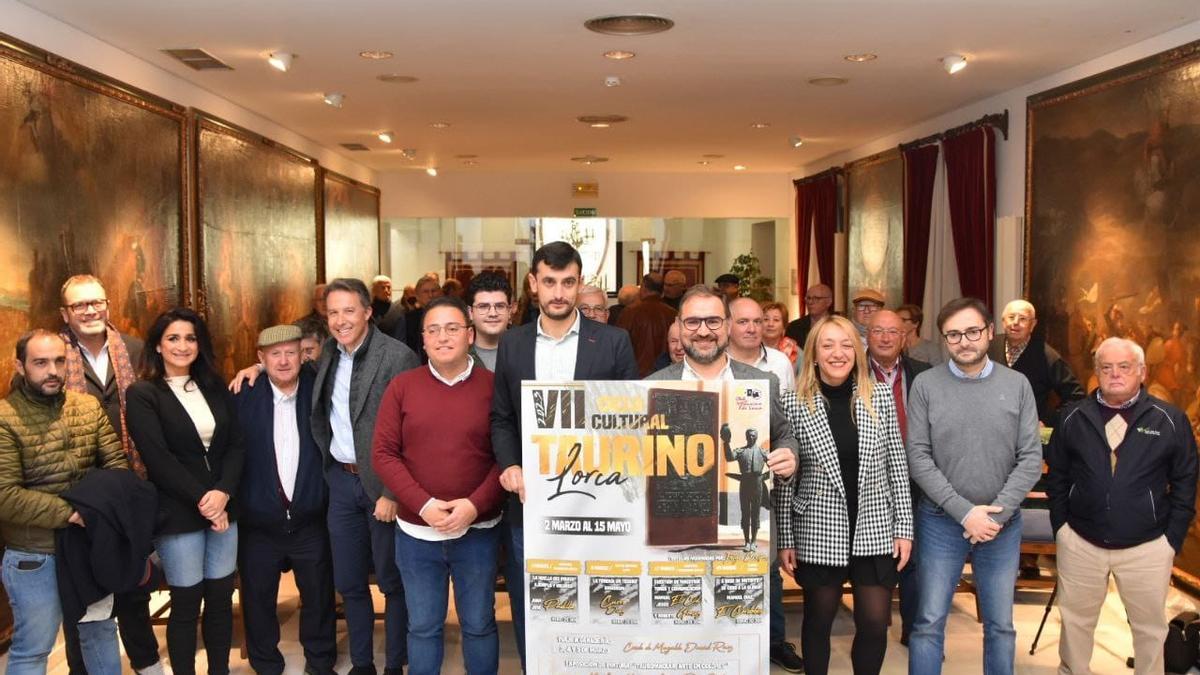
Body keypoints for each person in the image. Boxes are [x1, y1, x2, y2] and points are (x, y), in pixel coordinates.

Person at [231, 278, 421, 675]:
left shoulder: (398, 356)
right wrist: (257, 367)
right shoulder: (329, 354)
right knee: (349, 582)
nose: (340, 320)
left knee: (390, 581)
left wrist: (392, 491)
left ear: (368, 311)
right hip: (340, 484)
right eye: (333, 312)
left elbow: (412, 432)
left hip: (381, 486)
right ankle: (363, 663)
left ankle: (394, 664)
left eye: (349, 310)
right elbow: (287, 368)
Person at [491, 241, 639, 669]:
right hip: (531, 501)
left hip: (599, 502)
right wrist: (511, 465)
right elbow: (501, 417)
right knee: (534, 599)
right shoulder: (513, 344)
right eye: (550, 282)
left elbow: (630, 420)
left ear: (580, 285)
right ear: (534, 283)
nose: (558, 292)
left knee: (600, 596)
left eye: (568, 282)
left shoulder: (613, 341)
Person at [645, 285, 802, 673]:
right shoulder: (653, 384)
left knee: (740, 644)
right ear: (679, 327)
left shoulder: (760, 383)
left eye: (713, 321)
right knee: (680, 642)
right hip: (679, 538)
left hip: (741, 535)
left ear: (728, 325)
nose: (703, 331)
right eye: (693, 321)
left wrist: (790, 455)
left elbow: (784, 434)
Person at [905, 297, 1042, 675]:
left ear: (989, 332)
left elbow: (1030, 457)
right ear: (944, 340)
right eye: (953, 335)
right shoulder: (926, 386)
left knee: (1000, 625)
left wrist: (996, 513)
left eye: (972, 332)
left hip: (1002, 523)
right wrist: (965, 512)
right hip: (939, 521)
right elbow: (918, 457)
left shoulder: (1017, 385)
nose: (964, 341)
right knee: (928, 622)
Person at [1046, 337, 1198, 675]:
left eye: (1124, 367)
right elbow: (1056, 475)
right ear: (1097, 372)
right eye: (1106, 367)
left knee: (1149, 631)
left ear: (1141, 372)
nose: (1115, 374)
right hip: (1081, 542)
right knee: (1075, 625)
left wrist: (1170, 540)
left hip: (1147, 547)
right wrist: (1062, 528)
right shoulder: (1072, 417)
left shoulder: (1168, 419)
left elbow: (1186, 481)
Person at [374, 296, 505, 675]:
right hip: (417, 533)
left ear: (469, 335)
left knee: (479, 624)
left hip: (478, 530)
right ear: (423, 339)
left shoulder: (494, 387)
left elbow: (507, 456)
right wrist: (425, 505)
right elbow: (383, 454)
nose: (442, 337)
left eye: (452, 329)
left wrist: (474, 505)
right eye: (433, 330)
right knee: (424, 627)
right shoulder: (402, 387)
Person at [776, 314, 913, 675]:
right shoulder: (793, 402)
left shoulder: (879, 397)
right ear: (814, 354)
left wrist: (904, 529)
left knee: (873, 624)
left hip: (875, 528)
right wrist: (785, 539)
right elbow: (785, 480)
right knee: (818, 623)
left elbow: (897, 468)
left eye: (847, 344)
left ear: (858, 350)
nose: (838, 353)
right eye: (828, 345)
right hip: (818, 529)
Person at [0, 330, 127, 675]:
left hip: (89, 548)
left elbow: (117, 467)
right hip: (35, 555)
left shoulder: (86, 407)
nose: (52, 370)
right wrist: (73, 512)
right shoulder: (4, 418)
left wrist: (97, 513)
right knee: (33, 648)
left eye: (59, 361)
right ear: (21, 365)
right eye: (40, 362)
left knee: (100, 633)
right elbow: (5, 495)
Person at [126, 308, 244, 675]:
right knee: (186, 603)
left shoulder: (214, 386)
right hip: (178, 514)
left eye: (190, 338)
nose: (182, 345)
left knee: (222, 600)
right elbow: (158, 459)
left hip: (224, 507)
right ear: (158, 346)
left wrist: (222, 493)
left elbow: (237, 445)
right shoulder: (143, 393)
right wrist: (206, 501)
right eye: (173, 338)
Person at [56, 275, 163, 675]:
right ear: (65, 313)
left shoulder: (136, 351)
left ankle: (147, 664)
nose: (89, 311)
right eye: (79, 305)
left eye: (96, 302)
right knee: (82, 594)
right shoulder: (51, 357)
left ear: (107, 304)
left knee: (134, 583)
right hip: (78, 494)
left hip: (129, 486)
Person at [233, 325, 336, 675]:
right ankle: (265, 664)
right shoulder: (242, 394)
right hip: (259, 522)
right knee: (258, 599)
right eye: (274, 354)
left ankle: (320, 662)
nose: (283, 360)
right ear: (260, 358)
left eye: (292, 352)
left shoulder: (319, 388)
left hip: (310, 518)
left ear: (303, 354)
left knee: (319, 596)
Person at [865, 309, 930, 646]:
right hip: (868, 478)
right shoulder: (853, 371)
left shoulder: (924, 374)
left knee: (913, 556)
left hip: (915, 476)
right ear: (867, 335)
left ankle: (913, 630)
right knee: (874, 556)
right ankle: (873, 623)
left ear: (904, 336)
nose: (886, 338)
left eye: (893, 331)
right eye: (878, 331)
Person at [988, 299, 1085, 426]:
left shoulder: (1048, 357)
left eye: (1022, 318)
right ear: (1003, 321)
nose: (1015, 323)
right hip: (991, 431)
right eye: (1011, 317)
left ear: (1033, 324)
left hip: (1028, 436)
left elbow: (1077, 397)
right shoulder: (988, 347)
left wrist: (1049, 420)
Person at [727, 297, 795, 391]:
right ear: (727, 326)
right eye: (743, 322)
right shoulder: (715, 364)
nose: (752, 329)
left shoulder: (781, 362)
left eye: (757, 322)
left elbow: (790, 403)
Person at [618, 273, 678, 377]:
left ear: (643, 287)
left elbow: (618, 347)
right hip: (668, 374)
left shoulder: (630, 312)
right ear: (662, 291)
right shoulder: (673, 313)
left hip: (637, 375)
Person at [722, 426, 769, 551]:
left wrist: (764, 476)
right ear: (746, 436)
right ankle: (746, 542)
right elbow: (729, 457)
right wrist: (726, 442)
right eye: (749, 435)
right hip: (745, 484)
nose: (751, 437)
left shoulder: (763, 452)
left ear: (757, 436)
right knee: (745, 513)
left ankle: (753, 541)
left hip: (757, 484)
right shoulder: (741, 451)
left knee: (755, 514)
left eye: (753, 435)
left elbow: (773, 465)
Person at [466, 271, 513, 371]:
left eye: (500, 306)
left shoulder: (529, 354)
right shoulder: (460, 359)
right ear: (470, 312)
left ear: (509, 311)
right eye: (483, 307)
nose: (493, 313)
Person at [785, 283, 833, 349]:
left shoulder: (839, 326)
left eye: (816, 298)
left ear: (828, 302)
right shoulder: (794, 327)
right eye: (808, 298)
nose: (810, 302)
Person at [761, 301, 800, 366]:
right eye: (766, 319)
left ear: (784, 326)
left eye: (776, 320)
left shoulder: (795, 351)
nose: (770, 324)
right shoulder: (750, 349)